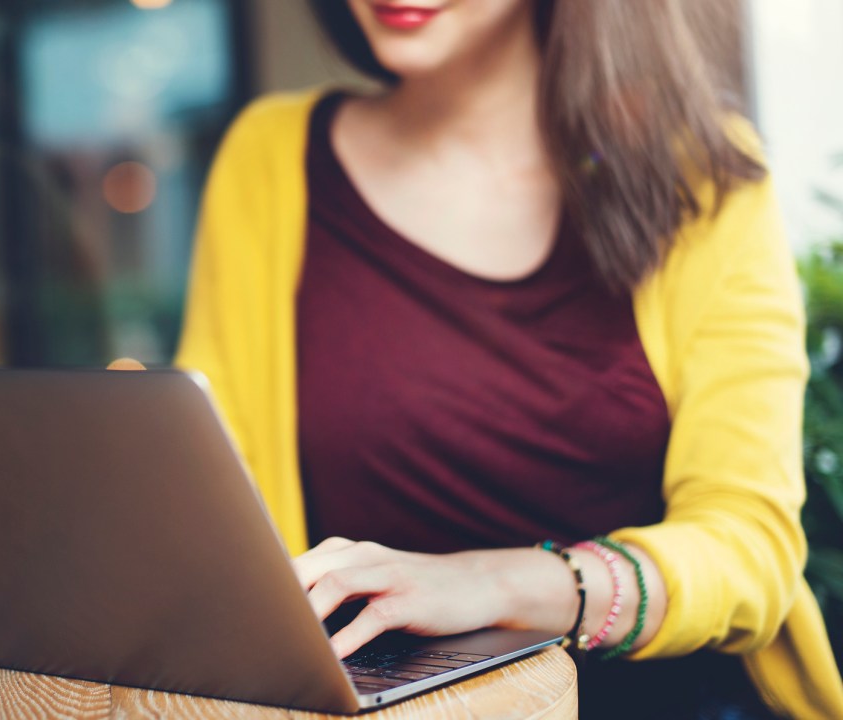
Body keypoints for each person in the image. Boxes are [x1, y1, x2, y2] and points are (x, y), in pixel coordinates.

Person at [174, 1, 843, 717]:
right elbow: (213, 497)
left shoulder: (702, 177)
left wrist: (501, 585)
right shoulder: (271, 158)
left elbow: (752, 549)